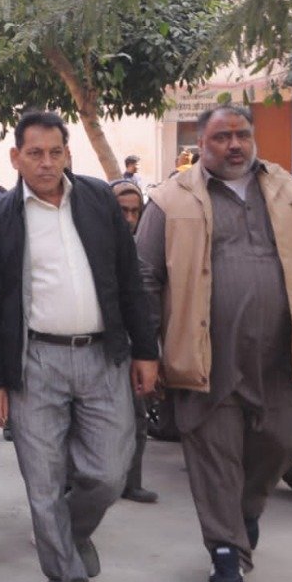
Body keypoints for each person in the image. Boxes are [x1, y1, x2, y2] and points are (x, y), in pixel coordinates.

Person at [136, 104, 292, 582]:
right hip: (206, 354)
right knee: (214, 450)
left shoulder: (290, 193)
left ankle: (244, 513)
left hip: (280, 354)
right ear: (200, 145)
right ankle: (226, 550)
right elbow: (144, 279)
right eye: (222, 137)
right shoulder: (170, 200)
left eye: (242, 135)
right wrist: (146, 351)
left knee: (284, 439)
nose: (234, 145)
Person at [0, 110, 158, 582]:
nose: (46, 163)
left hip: (102, 356)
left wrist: (146, 350)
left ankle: (73, 532)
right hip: (35, 363)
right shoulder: (1, 218)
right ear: (16, 158)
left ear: (68, 154)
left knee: (109, 473)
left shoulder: (97, 200)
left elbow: (129, 280)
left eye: (55, 152)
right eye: (35, 153)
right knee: (43, 482)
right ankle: (64, 579)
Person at [109, 179, 158, 504]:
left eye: (134, 211)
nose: (129, 218)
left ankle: (132, 481)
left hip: (136, 348)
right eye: (122, 211)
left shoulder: (146, 251)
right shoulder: (94, 245)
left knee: (138, 418)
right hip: (102, 349)